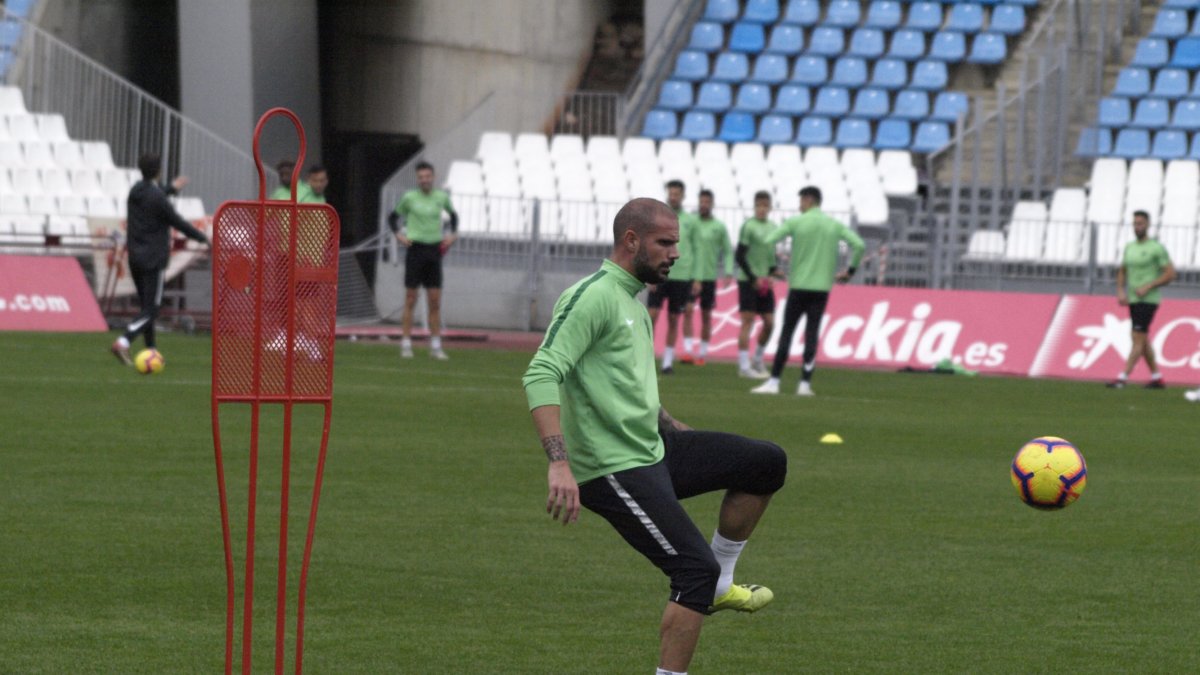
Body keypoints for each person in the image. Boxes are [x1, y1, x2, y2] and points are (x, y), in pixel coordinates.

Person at [522, 197, 786, 675]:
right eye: (665, 243)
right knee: (692, 572)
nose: (675, 253)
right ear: (631, 241)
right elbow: (541, 372)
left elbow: (621, 379)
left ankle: (724, 581)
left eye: (676, 243)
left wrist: (666, 421)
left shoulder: (630, 302)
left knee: (765, 462)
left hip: (651, 449)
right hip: (611, 468)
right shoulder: (593, 295)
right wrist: (558, 462)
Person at [752, 186, 864, 397]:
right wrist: (849, 270)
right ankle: (804, 384)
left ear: (809, 200)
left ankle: (775, 381)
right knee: (812, 334)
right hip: (821, 288)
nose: (799, 205)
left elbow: (768, 242)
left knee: (787, 331)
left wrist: (771, 267)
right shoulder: (833, 225)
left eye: (801, 200)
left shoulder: (797, 222)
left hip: (799, 286)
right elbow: (859, 245)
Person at [110, 153, 209, 365]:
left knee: (146, 307)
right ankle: (124, 340)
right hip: (153, 259)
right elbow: (177, 222)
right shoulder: (158, 199)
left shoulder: (135, 191)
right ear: (158, 171)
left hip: (135, 257)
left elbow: (154, 194)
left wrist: (171, 188)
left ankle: (151, 351)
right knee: (153, 309)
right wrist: (203, 238)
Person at [388, 161, 458, 360]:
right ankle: (406, 343)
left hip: (434, 251)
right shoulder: (409, 198)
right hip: (415, 250)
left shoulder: (441, 197)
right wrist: (399, 235)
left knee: (435, 301)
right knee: (411, 298)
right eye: (421, 177)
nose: (425, 180)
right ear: (417, 179)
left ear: (433, 177)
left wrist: (452, 235)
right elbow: (393, 217)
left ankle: (436, 346)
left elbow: (453, 216)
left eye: (428, 176)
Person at [1107, 210, 1175, 389]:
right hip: (1133, 300)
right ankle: (1157, 377)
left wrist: (1149, 286)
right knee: (1141, 338)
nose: (1137, 227)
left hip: (1149, 299)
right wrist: (1120, 291)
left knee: (1137, 336)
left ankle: (1122, 377)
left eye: (1141, 223)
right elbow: (1122, 270)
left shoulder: (1156, 248)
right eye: (1135, 223)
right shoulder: (1130, 247)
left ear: (1148, 225)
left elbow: (1170, 274)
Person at [645, 179, 697, 374]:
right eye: (671, 193)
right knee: (651, 316)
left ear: (682, 196)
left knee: (674, 318)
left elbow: (695, 249)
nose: (673, 197)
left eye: (677, 194)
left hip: (682, 276)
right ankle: (644, 356)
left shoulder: (690, 221)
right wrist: (649, 273)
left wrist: (696, 278)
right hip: (660, 272)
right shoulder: (658, 217)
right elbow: (650, 244)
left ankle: (667, 361)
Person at [734, 191, 779, 379]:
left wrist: (771, 275)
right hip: (748, 280)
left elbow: (771, 258)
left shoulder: (773, 227)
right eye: (758, 205)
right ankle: (744, 366)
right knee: (748, 321)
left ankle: (758, 359)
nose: (761, 209)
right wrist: (753, 278)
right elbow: (740, 255)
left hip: (764, 282)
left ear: (769, 207)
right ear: (754, 206)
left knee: (770, 322)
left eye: (765, 205)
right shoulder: (748, 226)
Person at [689, 189, 734, 366]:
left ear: (712, 204)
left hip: (709, 277)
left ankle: (702, 353)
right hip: (691, 276)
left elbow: (728, 251)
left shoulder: (719, 227)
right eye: (701, 201)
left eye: (707, 202)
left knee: (707, 315)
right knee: (687, 310)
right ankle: (687, 350)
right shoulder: (692, 224)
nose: (704, 205)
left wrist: (729, 272)